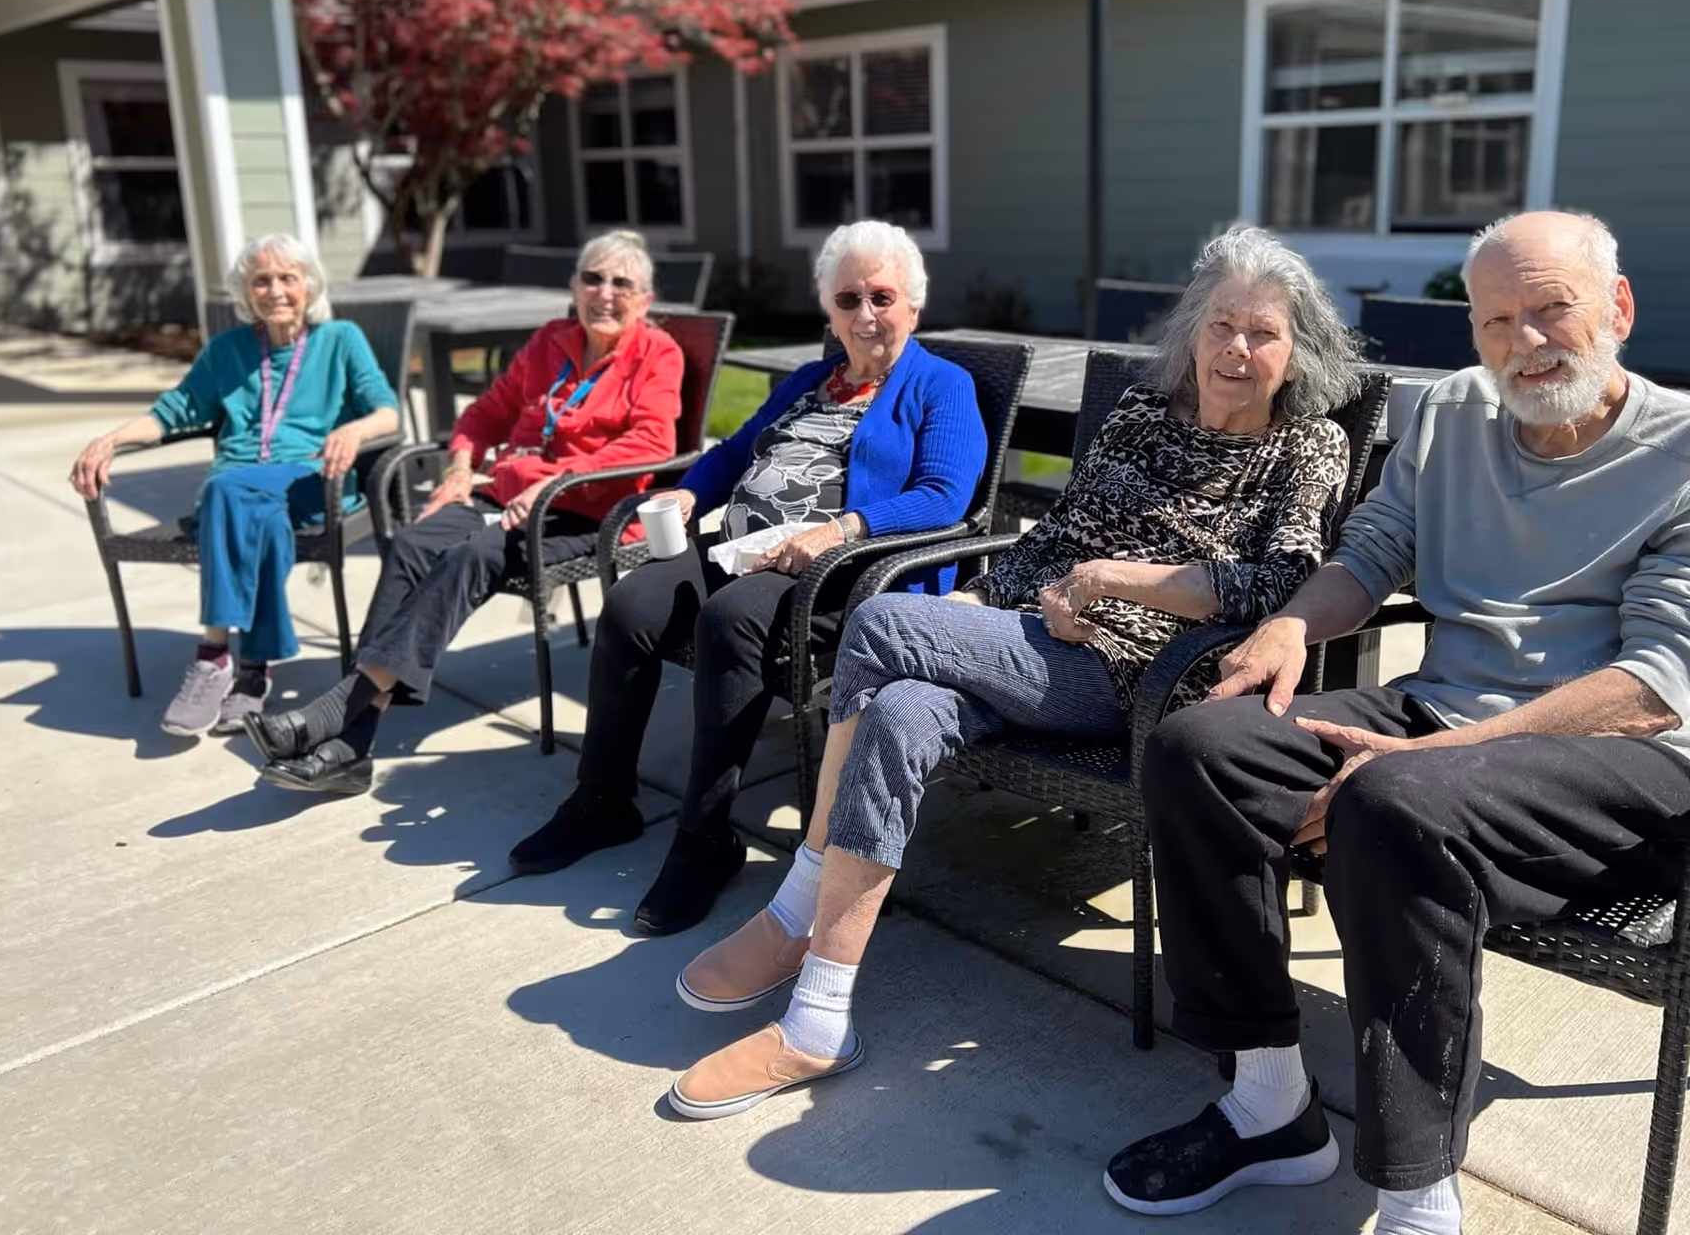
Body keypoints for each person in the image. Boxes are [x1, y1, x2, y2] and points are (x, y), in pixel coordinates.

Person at [1098, 212, 1690, 1234]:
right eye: (1497, 318)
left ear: (1619, 310)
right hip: (1448, 713)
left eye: (1554, 309)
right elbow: (1373, 552)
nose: (1526, 341)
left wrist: (1430, 756)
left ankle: (1419, 1192)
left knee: (1394, 799)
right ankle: (1270, 1103)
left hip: (1645, 762)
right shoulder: (1452, 412)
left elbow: (1657, 683)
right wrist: (1289, 625)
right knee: (1203, 744)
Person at [666, 226, 1363, 1120]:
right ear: (1192, 330)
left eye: (1263, 333)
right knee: (902, 710)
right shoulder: (1143, 416)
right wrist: (982, 600)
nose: (1237, 349)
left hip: (1140, 677)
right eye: (1221, 324)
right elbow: (1056, 539)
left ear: (1298, 347)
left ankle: (794, 909)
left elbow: (1274, 584)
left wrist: (1114, 583)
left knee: (878, 619)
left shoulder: (1307, 447)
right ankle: (820, 1019)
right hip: (1038, 641)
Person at [504, 219, 987, 937]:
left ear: (912, 305)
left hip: (844, 571)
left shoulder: (940, 385)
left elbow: (944, 495)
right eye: (847, 298)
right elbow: (732, 451)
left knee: (730, 620)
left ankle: (706, 838)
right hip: (744, 549)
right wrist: (691, 493)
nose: (865, 315)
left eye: (882, 297)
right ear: (828, 308)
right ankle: (602, 800)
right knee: (632, 605)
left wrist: (841, 528)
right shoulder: (806, 382)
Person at [244, 230, 683, 796]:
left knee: (470, 556)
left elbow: (652, 443)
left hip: (584, 509)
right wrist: (457, 469)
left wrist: (554, 479)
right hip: (506, 494)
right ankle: (350, 745)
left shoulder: (657, 354)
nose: (604, 292)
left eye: (621, 283)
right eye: (592, 278)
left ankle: (340, 717)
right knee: (411, 544)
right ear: (573, 287)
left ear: (643, 299)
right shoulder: (553, 339)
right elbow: (485, 412)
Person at [68, 233, 400, 738]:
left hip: (310, 481)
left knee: (226, 492)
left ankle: (213, 652)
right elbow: (172, 412)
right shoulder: (226, 351)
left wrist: (354, 428)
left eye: (287, 277)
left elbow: (386, 412)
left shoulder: (341, 339)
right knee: (246, 504)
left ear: (308, 285)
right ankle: (252, 672)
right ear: (247, 294)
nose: (275, 290)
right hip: (246, 497)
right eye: (260, 280)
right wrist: (110, 440)